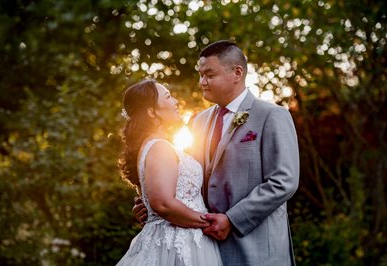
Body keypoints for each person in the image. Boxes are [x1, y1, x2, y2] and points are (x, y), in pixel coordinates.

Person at [134, 40, 300, 266]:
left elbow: (284, 181)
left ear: (237, 73)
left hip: (257, 248)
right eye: (200, 75)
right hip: (205, 249)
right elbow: (188, 179)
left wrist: (232, 219)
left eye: (209, 75)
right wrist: (152, 201)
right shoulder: (198, 121)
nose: (202, 82)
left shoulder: (272, 116)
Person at [116, 79, 222, 266]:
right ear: (152, 112)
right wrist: (208, 223)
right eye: (168, 97)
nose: (175, 102)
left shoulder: (155, 146)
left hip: (183, 236)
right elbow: (163, 204)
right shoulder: (159, 148)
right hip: (176, 242)